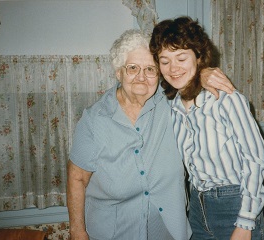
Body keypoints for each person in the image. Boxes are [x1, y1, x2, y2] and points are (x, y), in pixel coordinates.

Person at [67, 29, 234, 240]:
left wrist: (202, 73)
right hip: (113, 230)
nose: (141, 77)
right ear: (118, 72)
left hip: (166, 229)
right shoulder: (94, 119)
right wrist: (77, 231)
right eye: (133, 68)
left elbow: (185, 76)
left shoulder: (170, 103)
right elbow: (77, 177)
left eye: (150, 69)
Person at [150, 16, 264, 240]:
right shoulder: (171, 107)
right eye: (165, 61)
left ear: (198, 57)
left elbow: (256, 160)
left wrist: (246, 221)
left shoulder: (226, 100)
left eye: (181, 58)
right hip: (196, 208)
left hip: (235, 204)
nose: (173, 68)